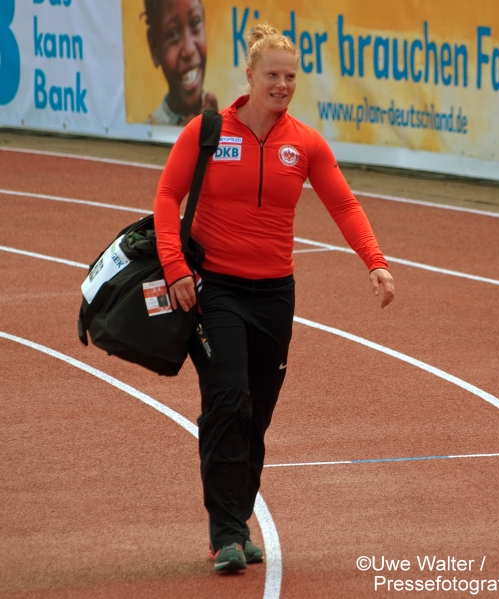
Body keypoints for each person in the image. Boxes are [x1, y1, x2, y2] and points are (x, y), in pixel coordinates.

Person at [153, 23, 395, 573]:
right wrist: (174, 267)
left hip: (275, 296)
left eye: (290, 76)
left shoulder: (305, 142)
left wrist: (375, 263)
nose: (282, 85)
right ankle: (225, 534)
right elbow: (168, 197)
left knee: (256, 413)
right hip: (216, 290)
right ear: (250, 75)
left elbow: (345, 205)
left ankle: (237, 520)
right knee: (227, 399)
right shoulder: (207, 130)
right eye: (272, 75)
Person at [143, 0, 218, 126]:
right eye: (173, 34)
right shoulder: (150, 130)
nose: (189, 50)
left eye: (195, 22)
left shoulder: (220, 117)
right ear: (154, 48)